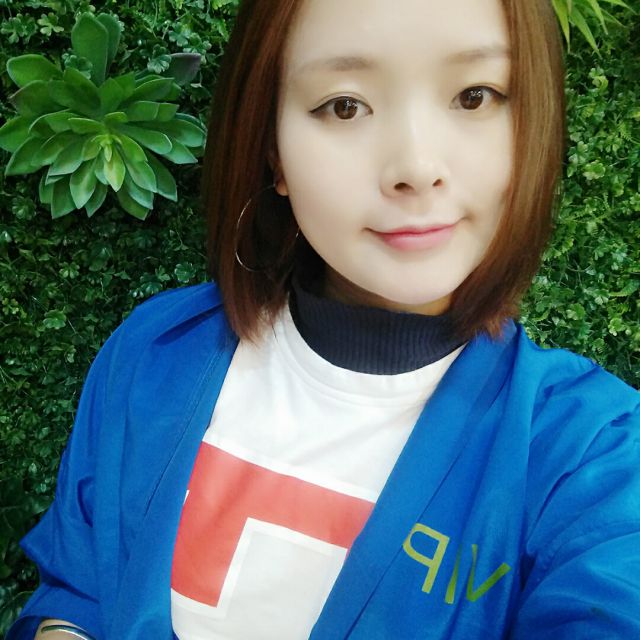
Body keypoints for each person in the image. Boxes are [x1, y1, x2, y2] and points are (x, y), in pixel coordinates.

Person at [9, 0, 640, 638]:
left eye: (475, 96)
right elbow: (79, 592)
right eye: (344, 106)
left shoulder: (591, 454)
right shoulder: (156, 352)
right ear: (273, 151)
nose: (417, 168)